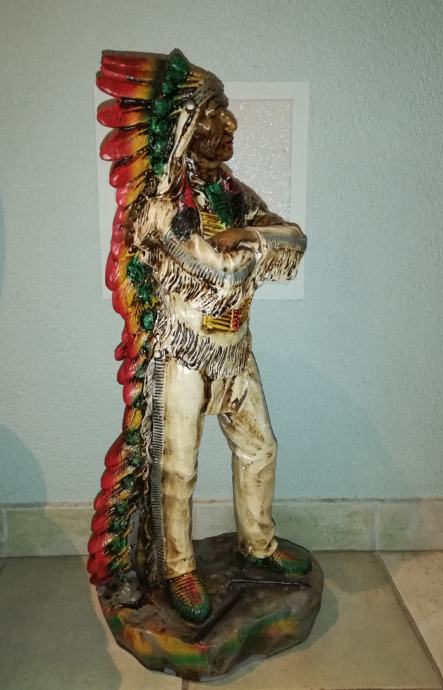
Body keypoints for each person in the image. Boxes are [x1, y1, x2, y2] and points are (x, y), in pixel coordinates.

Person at [88, 49, 308, 623]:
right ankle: (178, 569)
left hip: (236, 351)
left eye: (226, 109)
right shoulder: (163, 207)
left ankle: (258, 543)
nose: (230, 122)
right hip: (182, 354)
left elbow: (295, 240)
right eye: (215, 110)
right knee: (178, 469)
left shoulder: (234, 195)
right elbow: (222, 271)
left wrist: (248, 236)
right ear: (187, 123)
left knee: (259, 447)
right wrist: (252, 245)